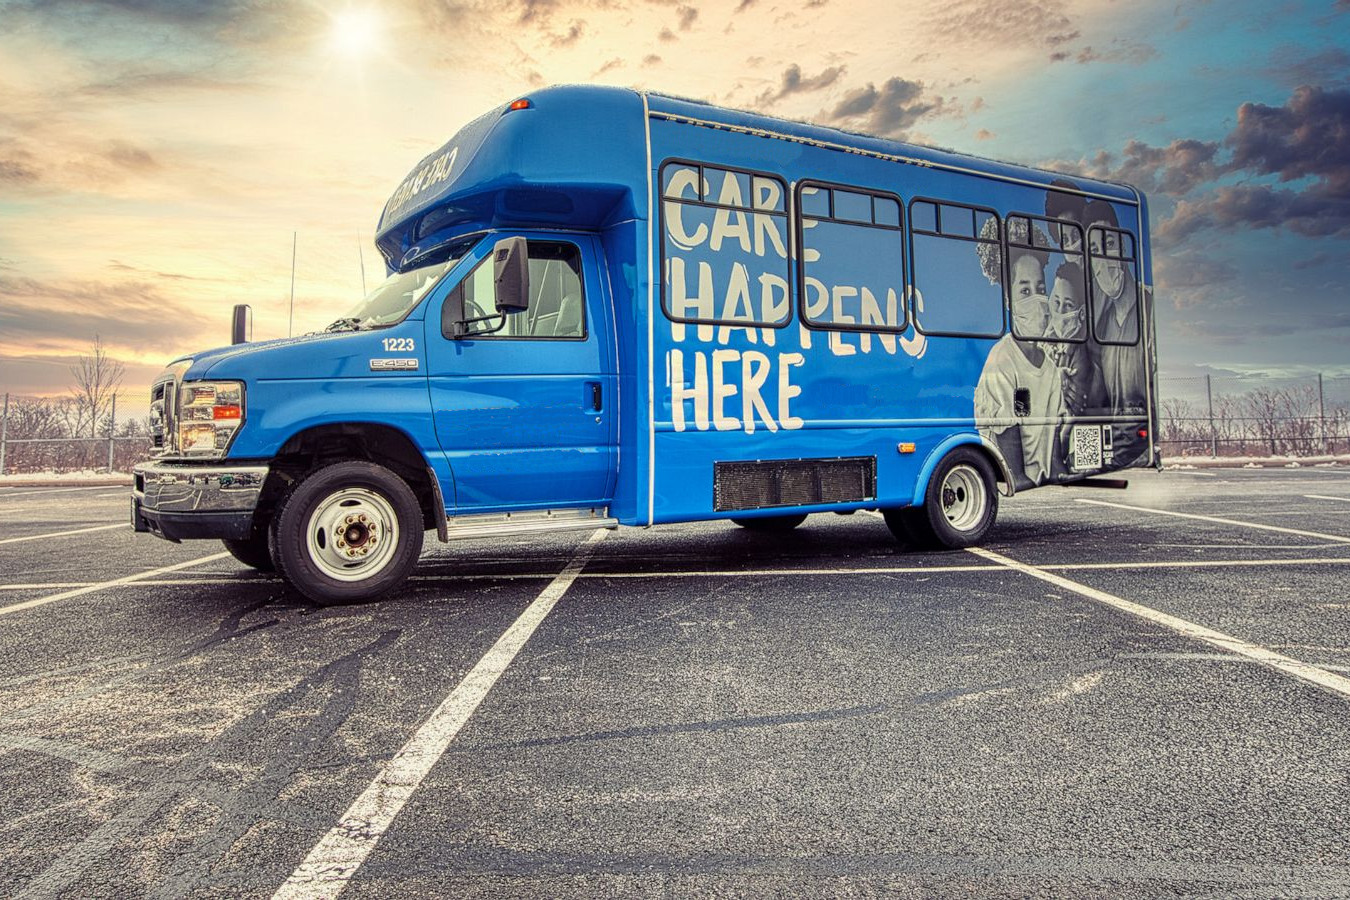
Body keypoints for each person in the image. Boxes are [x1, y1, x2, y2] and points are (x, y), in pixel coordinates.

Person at [974, 225, 1066, 488]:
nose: (1037, 299)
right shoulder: (1002, 361)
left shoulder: (1049, 369)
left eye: (1040, 288)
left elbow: (1054, 446)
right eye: (1025, 291)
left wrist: (1061, 475)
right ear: (1008, 300)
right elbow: (1012, 462)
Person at [1083, 200, 1145, 414]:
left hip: (1136, 437)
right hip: (1116, 434)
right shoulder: (1102, 326)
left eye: (1108, 244)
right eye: (1094, 251)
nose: (1103, 259)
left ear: (1123, 246)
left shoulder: (1147, 308)